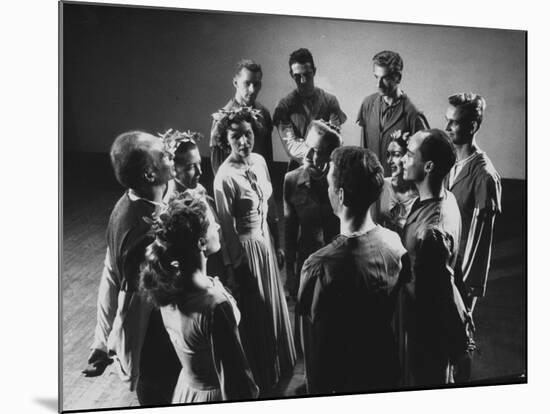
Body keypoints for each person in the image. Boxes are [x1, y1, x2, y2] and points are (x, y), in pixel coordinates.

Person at [297, 146, 409, 394]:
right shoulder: (394, 244)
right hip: (384, 367)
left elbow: (315, 353)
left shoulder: (320, 266)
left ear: (339, 194)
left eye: (328, 184)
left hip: (344, 378)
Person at [84, 131, 181, 405]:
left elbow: (109, 274)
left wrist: (100, 340)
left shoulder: (127, 204)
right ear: (149, 175)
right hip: (158, 340)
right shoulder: (144, 235)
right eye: (164, 155)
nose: (171, 155)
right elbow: (131, 302)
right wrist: (110, 343)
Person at [139, 191, 259, 403]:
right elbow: (235, 379)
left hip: (187, 390)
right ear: (201, 242)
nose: (219, 227)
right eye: (214, 224)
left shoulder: (167, 284)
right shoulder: (213, 304)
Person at [213, 107, 296, 395]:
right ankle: (263, 370)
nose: (244, 142)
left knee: (273, 302)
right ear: (226, 140)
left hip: (266, 245)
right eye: (236, 137)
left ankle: (281, 360)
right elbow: (225, 226)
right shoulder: (224, 177)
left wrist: (278, 242)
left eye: (248, 134)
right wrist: (236, 268)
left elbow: (270, 207)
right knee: (256, 309)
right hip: (246, 250)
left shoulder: (260, 161)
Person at [401, 129, 472, 386]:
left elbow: (441, 293)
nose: (402, 160)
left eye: (409, 155)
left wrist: (460, 348)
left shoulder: (431, 233)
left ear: (428, 166)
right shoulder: (448, 198)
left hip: (426, 334)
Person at [444, 93, 502, 381]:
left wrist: (466, 288)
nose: (448, 128)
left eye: (454, 123)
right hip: (447, 266)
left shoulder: (484, 176)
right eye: (447, 121)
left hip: (462, 275)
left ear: (473, 125)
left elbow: (481, 242)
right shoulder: (454, 164)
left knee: (461, 339)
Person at [162, 129, 233, 286]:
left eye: (199, 164)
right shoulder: (170, 204)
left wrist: (227, 264)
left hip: (217, 260)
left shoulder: (199, 190)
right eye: (190, 167)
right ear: (172, 169)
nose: (200, 171)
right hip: (196, 270)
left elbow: (216, 228)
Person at [283, 120, 341, 300]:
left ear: (330, 156)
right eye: (306, 145)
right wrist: (290, 273)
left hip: (336, 265)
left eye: (316, 150)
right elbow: (290, 231)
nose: (307, 153)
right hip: (307, 263)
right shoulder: (291, 180)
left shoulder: (340, 182)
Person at [357, 50, 429, 177]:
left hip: (400, 187)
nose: (378, 84)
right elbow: (363, 150)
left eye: (384, 78)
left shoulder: (413, 114)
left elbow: (423, 158)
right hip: (372, 184)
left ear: (398, 78)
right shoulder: (367, 104)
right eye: (376, 77)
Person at [273, 48, 347, 171]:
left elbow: (335, 140)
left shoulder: (330, 101)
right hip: (298, 168)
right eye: (297, 76)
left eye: (307, 75)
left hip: (326, 168)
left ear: (314, 71)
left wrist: (320, 155)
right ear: (291, 74)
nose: (303, 81)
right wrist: (315, 153)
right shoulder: (284, 106)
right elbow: (290, 144)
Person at [210, 59, 273, 175]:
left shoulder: (264, 113)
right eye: (247, 83)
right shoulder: (222, 119)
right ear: (235, 83)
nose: (252, 90)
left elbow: (267, 158)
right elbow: (218, 169)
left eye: (256, 84)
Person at [370, 130, 418, 236]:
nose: (389, 161)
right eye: (388, 155)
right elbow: (372, 226)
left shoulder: (420, 192)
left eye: (396, 155)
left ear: (408, 157)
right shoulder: (381, 186)